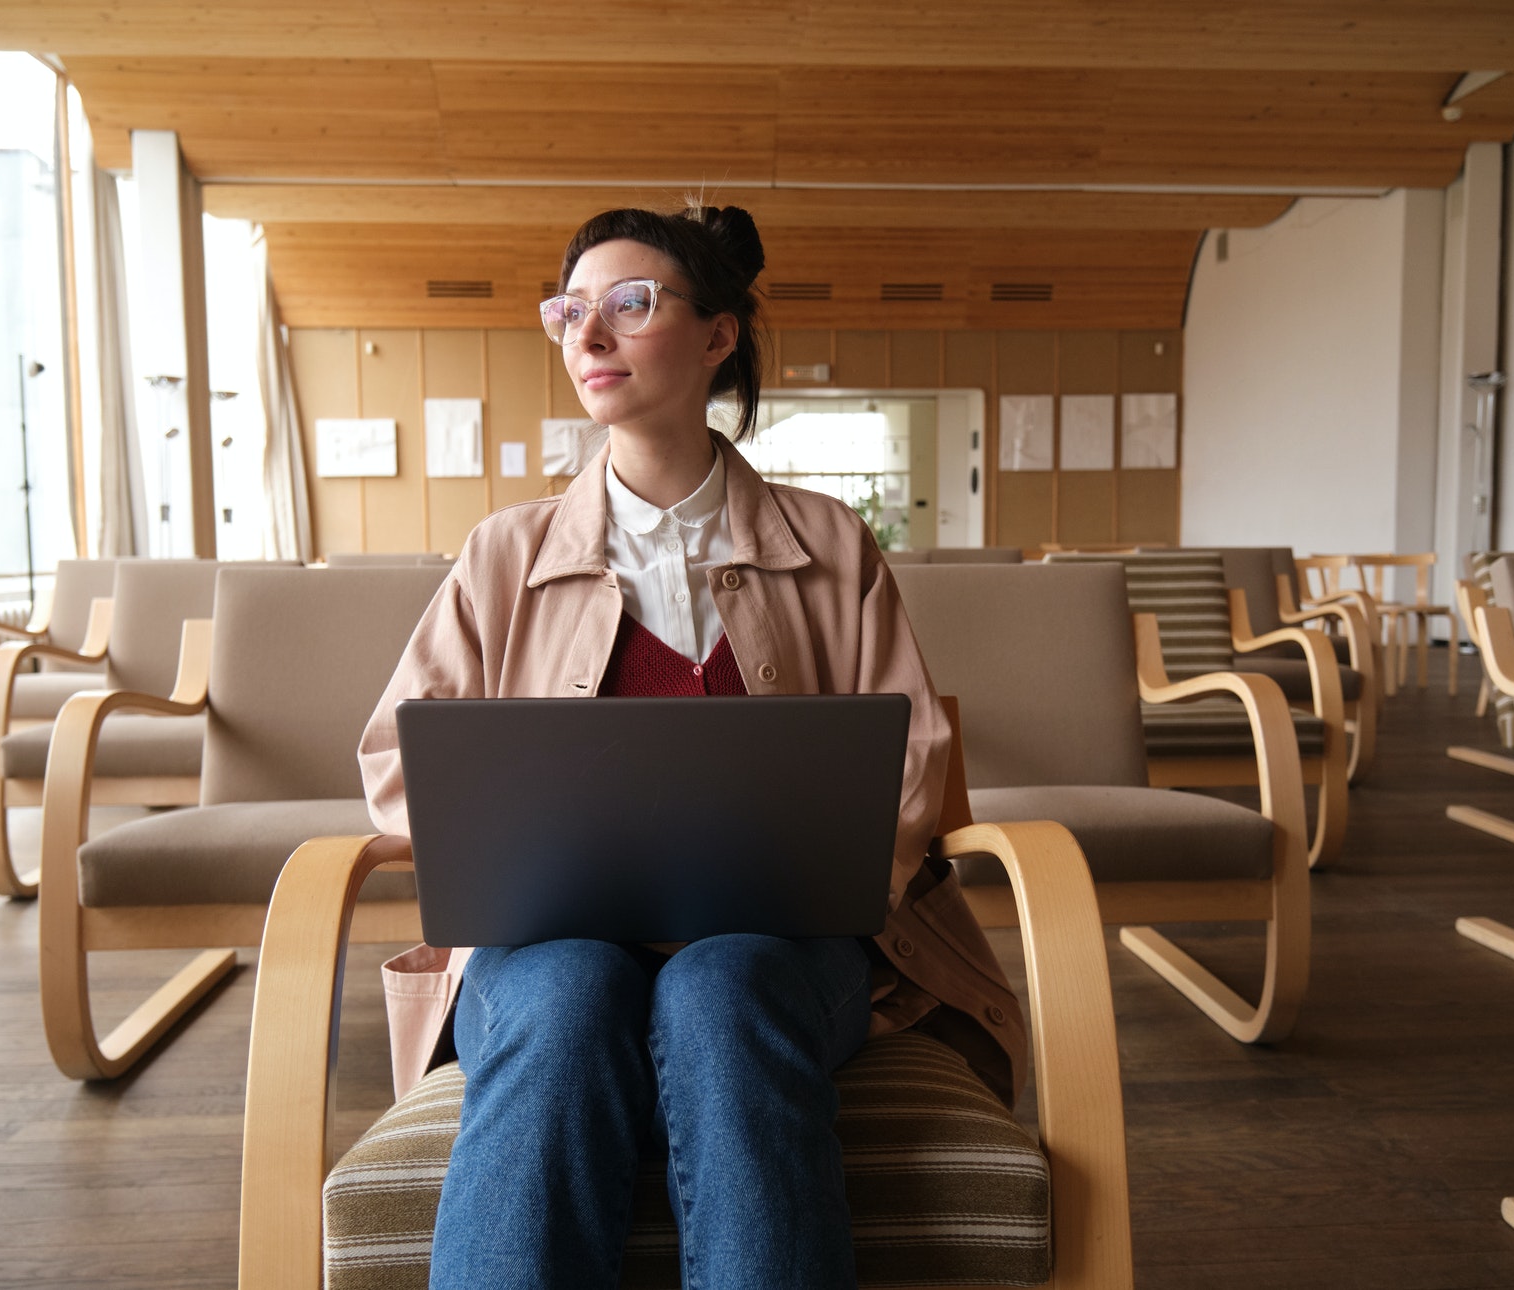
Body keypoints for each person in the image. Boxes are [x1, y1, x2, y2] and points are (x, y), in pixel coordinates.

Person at [358, 204, 1026, 1290]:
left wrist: (850, 870)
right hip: (544, 952)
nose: (588, 335)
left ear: (717, 336)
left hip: (782, 950)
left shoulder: (829, 543)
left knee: (723, 988)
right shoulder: (501, 553)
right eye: (570, 312)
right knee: (568, 992)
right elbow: (398, 760)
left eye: (629, 305)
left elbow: (906, 759)